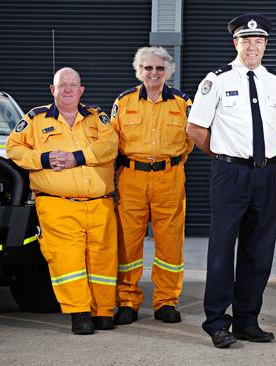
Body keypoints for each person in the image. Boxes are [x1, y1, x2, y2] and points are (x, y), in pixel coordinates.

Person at [186, 13, 276, 348]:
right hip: (229, 174)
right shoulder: (216, 80)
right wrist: (221, 155)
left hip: (267, 174)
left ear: (265, 45)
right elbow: (195, 129)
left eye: (258, 41)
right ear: (236, 43)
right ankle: (217, 323)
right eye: (246, 41)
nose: (253, 46)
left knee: (259, 251)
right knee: (221, 250)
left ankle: (247, 321)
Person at [6, 67, 119, 335]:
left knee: (103, 260)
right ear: (52, 90)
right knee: (68, 262)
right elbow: (13, 148)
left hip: (99, 202)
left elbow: (110, 145)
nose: (68, 89)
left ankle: (103, 312)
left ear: (81, 91)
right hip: (57, 204)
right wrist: (43, 159)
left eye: (73, 85)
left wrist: (77, 157)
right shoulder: (35, 118)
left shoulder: (97, 118)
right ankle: (78, 313)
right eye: (62, 85)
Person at [110, 46, 193, 325]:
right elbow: (112, 140)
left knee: (170, 244)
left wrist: (171, 164)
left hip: (169, 177)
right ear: (139, 71)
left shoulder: (183, 103)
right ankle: (127, 301)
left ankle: (166, 301)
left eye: (159, 68)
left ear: (168, 71)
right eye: (148, 68)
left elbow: (190, 141)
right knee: (127, 243)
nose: (153, 73)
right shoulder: (123, 101)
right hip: (131, 177)